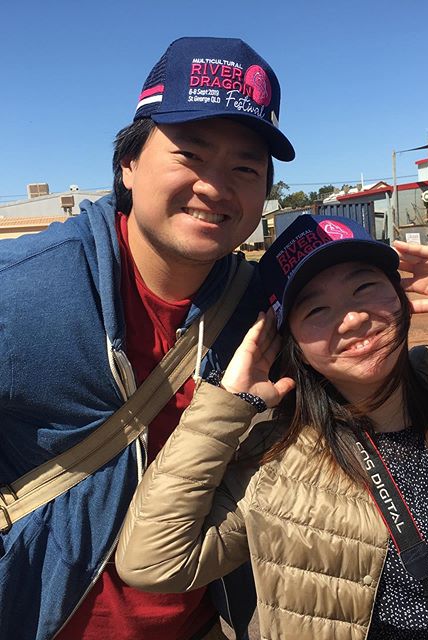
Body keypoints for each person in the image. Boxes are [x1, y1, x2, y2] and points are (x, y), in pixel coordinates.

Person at [115, 214, 428, 639]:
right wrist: (222, 406)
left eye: (365, 287)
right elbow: (152, 563)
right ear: (290, 341)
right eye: (316, 310)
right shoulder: (275, 465)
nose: (352, 319)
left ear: (399, 293)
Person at [0, 37, 294, 640]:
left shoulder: (265, 308)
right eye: (189, 153)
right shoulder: (22, 292)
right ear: (129, 166)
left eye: (245, 167)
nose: (216, 186)